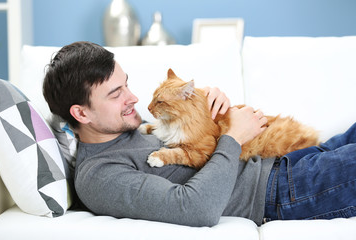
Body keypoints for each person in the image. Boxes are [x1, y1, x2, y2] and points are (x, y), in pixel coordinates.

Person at [43, 41, 356, 227]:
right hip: (280, 193)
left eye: (127, 84)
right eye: (116, 94)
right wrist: (233, 137)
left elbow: (188, 129)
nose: (134, 98)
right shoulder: (99, 176)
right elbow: (195, 208)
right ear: (81, 113)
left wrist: (208, 105)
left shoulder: (120, 127)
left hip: (280, 160)